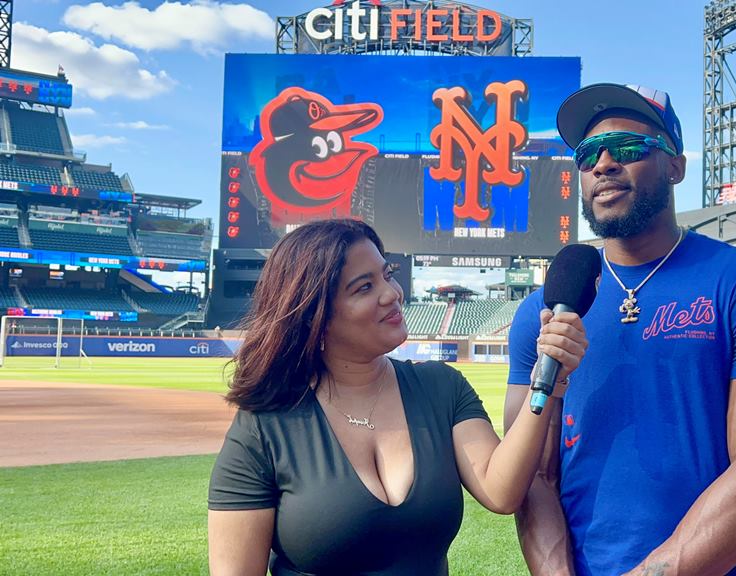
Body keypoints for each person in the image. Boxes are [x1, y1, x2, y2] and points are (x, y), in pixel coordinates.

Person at [505, 84, 736, 576]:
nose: (603, 164)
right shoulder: (542, 313)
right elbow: (533, 477)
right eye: (586, 155)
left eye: (628, 148)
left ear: (676, 165)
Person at [208, 219, 587, 575]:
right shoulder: (264, 426)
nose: (392, 294)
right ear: (315, 314)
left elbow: (501, 491)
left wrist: (549, 379)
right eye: (364, 287)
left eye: (386, 276)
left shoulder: (441, 387)